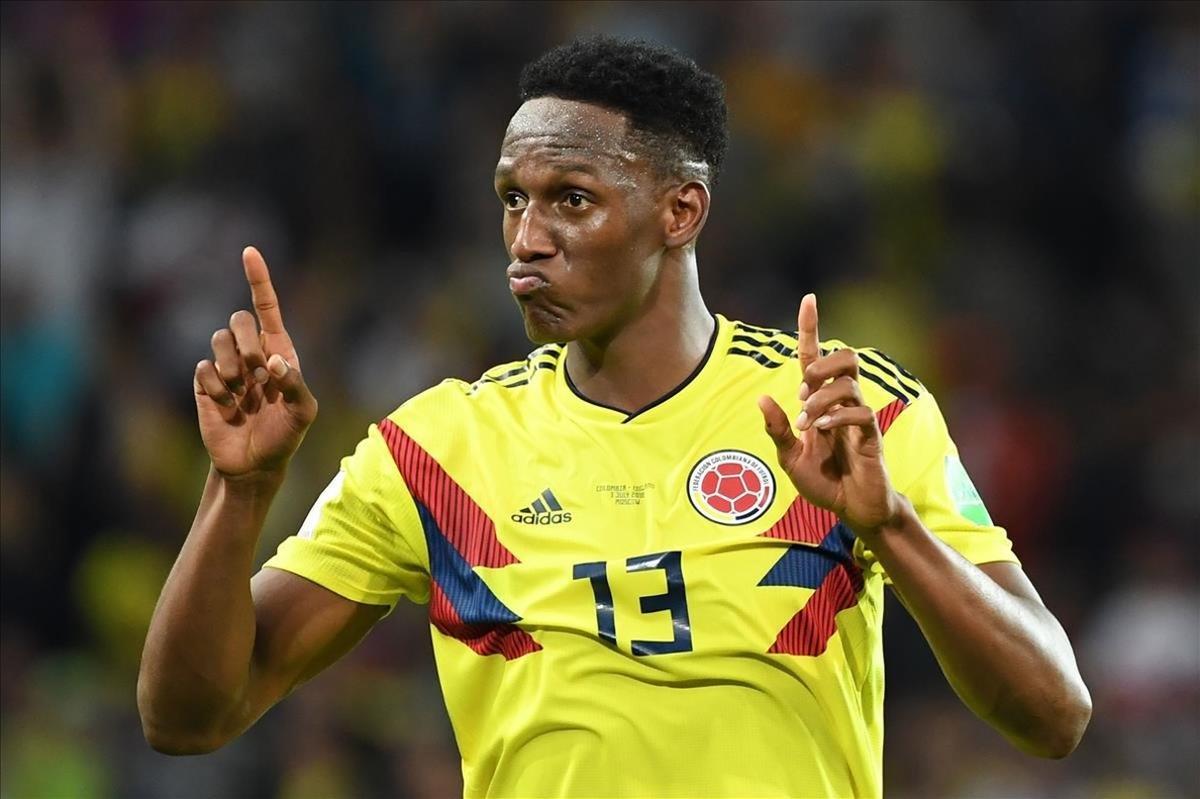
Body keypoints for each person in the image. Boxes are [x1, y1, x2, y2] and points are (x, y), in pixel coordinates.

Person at [138, 36, 1091, 798]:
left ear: (680, 212)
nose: (526, 239)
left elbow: (1055, 713)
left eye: (571, 200)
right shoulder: (435, 449)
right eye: (513, 200)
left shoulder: (844, 411)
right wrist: (241, 487)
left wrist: (893, 528)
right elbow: (186, 718)